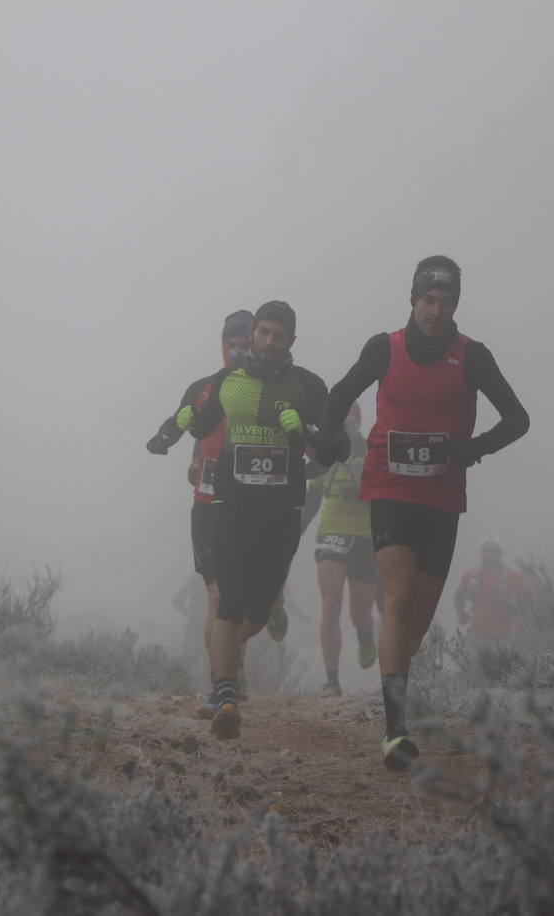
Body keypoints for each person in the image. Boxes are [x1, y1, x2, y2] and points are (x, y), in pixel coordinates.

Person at [316, 255, 529, 769]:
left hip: (440, 496)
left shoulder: (471, 356)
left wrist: (471, 449)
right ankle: (395, 730)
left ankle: (395, 688)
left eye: (446, 302)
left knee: (416, 620)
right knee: (399, 594)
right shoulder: (383, 348)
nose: (436, 311)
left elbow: (518, 419)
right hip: (388, 486)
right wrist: (328, 440)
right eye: (428, 300)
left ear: (456, 304)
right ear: (413, 299)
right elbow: (341, 392)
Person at [184, 300, 339, 739]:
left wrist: (306, 433)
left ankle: (241, 650)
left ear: (291, 340)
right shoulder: (227, 380)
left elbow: (334, 451)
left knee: (255, 612)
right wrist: (184, 422)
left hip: (282, 510)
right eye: (264, 332)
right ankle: (226, 694)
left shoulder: (307, 386)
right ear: (254, 332)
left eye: (279, 335)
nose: (269, 342)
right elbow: (202, 427)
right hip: (232, 506)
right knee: (226, 601)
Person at [147, 309, 254, 716]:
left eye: (246, 346)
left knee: (240, 601)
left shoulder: (266, 387)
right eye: (233, 346)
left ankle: (233, 667)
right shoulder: (205, 387)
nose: (239, 353)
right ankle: (220, 682)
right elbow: (181, 420)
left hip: (252, 503)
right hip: (208, 503)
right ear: (223, 346)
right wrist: (162, 438)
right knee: (215, 594)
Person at [313, 403, 378, 697]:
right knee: (330, 602)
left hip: (364, 535)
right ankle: (332, 679)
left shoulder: (371, 448)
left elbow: (386, 492)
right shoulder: (325, 450)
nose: (346, 424)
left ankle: (365, 635)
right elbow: (313, 494)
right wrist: (293, 532)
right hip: (332, 530)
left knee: (360, 614)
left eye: (351, 417)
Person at [453, 535, 524, 662]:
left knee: (502, 671)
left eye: (493, 550)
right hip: (476, 635)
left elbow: (526, 602)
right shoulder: (469, 576)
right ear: (481, 553)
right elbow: (459, 596)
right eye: (485, 550)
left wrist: (520, 625)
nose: (489, 554)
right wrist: (461, 614)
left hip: (503, 635)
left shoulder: (513, 577)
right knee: (473, 671)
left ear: (500, 553)